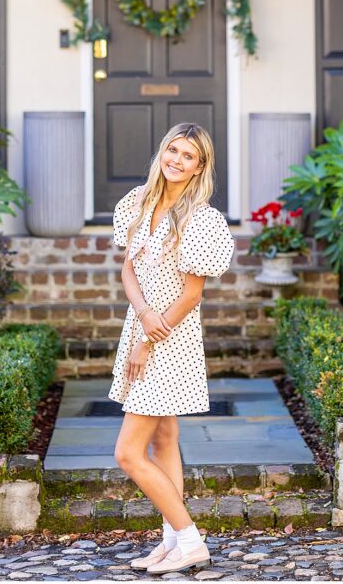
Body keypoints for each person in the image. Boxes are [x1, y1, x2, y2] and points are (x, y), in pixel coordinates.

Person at [109, 122, 235, 574]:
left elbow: (191, 295)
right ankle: (171, 541)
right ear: (162, 151)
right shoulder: (138, 205)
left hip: (170, 339)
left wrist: (147, 337)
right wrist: (141, 314)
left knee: (127, 452)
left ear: (200, 167)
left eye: (189, 156)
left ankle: (190, 539)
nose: (177, 160)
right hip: (143, 325)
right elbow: (128, 269)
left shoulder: (200, 218)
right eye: (173, 150)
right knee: (164, 438)